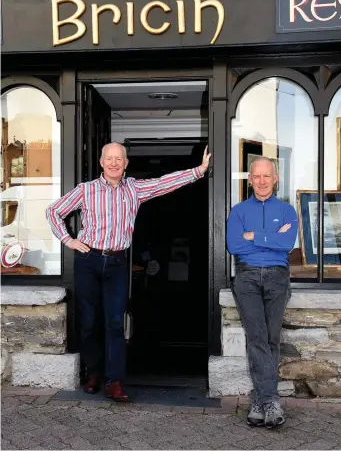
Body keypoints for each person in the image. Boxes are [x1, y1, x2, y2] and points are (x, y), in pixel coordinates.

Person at [46, 142, 211, 402]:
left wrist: (199, 170)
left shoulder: (134, 189)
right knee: (89, 321)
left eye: (118, 159)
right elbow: (53, 211)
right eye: (109, 158)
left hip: (117, 263)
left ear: (125, 163)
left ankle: (114, 381)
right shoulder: (86, 190)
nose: (113, 163)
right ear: (101, 162)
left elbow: (164, 183)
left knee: (114, 322)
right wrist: (69, 240)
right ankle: (93, 372)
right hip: (88, 260)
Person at [226, 157, 297, 429]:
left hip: (278, 276)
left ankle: (258, 401)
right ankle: (271, 401)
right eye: (257, 176)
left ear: (275, 179)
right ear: (250, 179)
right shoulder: (239, 211)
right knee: (257, 338)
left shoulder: (288, 210)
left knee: (272, 338)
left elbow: (287, 244)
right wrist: (270, 238)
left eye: (267, 176)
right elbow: (234, 246)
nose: (262, 181)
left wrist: (253, 236)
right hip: (247, 277)